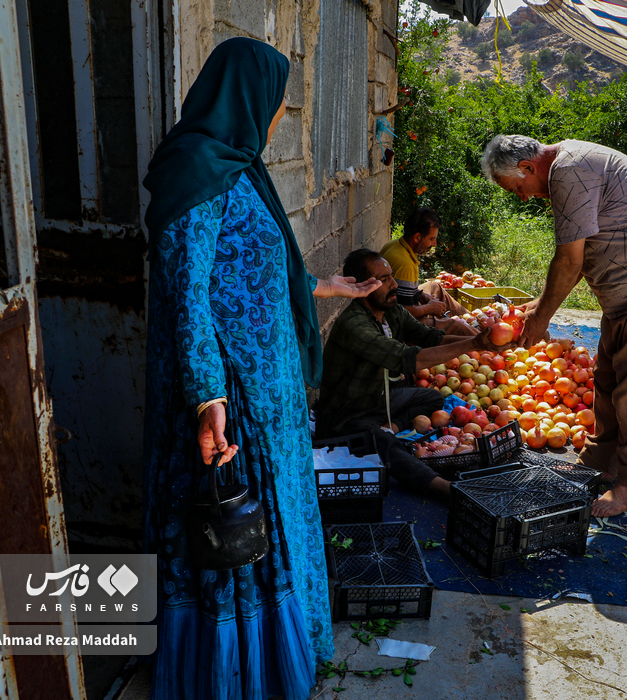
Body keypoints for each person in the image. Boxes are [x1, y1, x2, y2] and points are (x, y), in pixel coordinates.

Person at [141, 38, 380, 699]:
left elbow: (257, 271)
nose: (279, 118)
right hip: (231, 401)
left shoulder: (242, 169)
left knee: (271, 528)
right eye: (276, 103)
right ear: (245, 98)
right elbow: (189, 294)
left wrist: (323, 287)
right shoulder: (193, 171)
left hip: (268, 398)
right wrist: (208, 396)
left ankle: (284, 652)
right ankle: (235, 674)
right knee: (235, 534)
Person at [480, 135, 627, 517]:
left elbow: (570, 260)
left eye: (517, 188)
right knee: (609, 376)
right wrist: (540, 303)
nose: (522, 197)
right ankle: (602, 461)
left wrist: (542, 318)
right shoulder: (567, 166)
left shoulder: (569, 171)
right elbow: (577, 256)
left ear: (527, 167)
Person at [315, 249, 507, 499]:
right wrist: (473, 344)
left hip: (377, 403)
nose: (394, 285)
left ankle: (391, 425)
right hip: (345, 418)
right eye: (384, 280)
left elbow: (430, 338)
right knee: (386, 446)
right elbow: (410, 359)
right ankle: (441, 487)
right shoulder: (354, 326)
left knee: (432, 399)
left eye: (391, 277)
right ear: (362, 287)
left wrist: (481, 340)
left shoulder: (392, 311)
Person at [380, 208, 475, 335]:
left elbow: (401, 292)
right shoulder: (405, 263)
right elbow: (404, 313)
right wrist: (428, 308)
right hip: (398, 325)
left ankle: (472, 319)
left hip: (398, 310)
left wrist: (421, 295)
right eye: (431, 239)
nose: (434, 244)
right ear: (417, 237)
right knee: (452, 325)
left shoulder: (394, 245)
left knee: (434, 286)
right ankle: (478, 337)